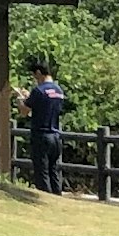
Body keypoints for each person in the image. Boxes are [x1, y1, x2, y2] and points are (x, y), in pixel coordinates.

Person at [23, 60, 73, 194]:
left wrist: (20, 100)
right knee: (53, 170)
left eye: (34, 76)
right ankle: (57, 196)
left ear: (39, 73)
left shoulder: (38, 91)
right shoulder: (59, 91)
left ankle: (45, 198)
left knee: (42, 172)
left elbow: (24, 111)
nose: (35, 80)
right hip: (56, 136)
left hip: (41, 135)